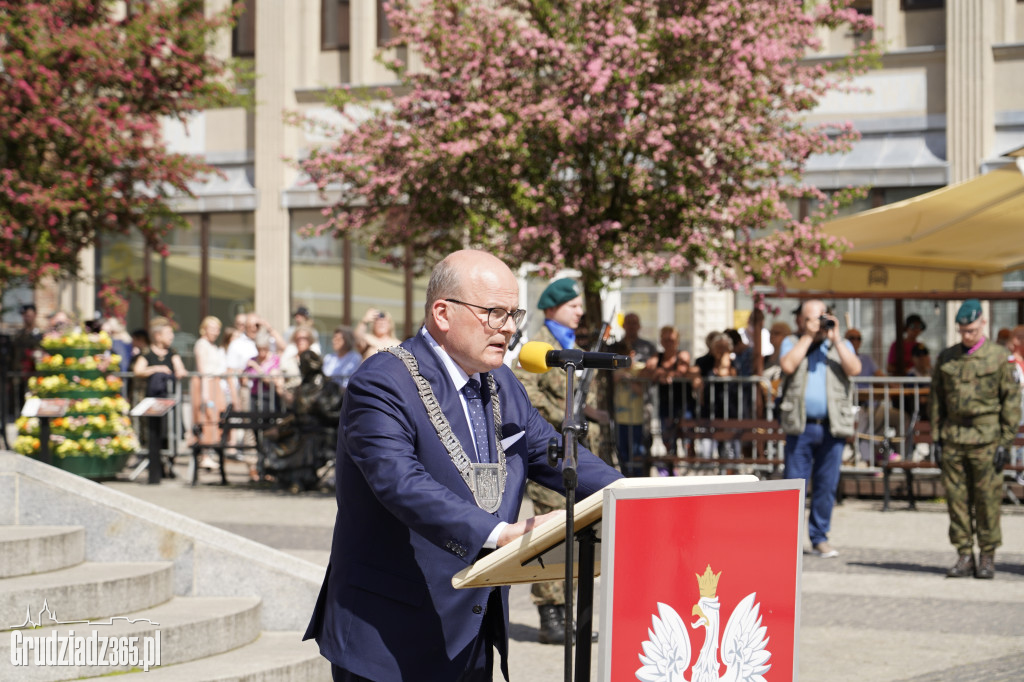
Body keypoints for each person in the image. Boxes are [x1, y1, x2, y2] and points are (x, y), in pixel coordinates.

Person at [305, 250, 622, 680]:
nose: (509, 328)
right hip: (387, 635)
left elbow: (555, 454)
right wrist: (500, 534)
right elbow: (400, 482)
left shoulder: (503, 384)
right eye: (494, 313)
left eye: (513, 314)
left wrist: (635, 496)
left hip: (471, 628)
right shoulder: (382, 381)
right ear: (443, 313)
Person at [513, 277, 610, 644]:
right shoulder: (540, 347)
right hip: (553, 455)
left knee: (577, 536)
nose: (580, 311)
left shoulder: (574, 346)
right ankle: (550, 616)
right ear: (552, 308)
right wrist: (567, 415)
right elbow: (529, 395)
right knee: (556, 535)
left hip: (583, 455)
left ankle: (570, 616)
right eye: (573, 306)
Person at [930, 299, 1020, 579]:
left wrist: (1005, 442)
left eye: (970, 330)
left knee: (987, 501)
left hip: (986, 439)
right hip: (954, 438)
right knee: (956, 501)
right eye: (962, 331)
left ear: (983, 324)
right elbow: (937, 402)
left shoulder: (999, 357)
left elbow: (1011, 402)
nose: (966, 336)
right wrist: (936, 439)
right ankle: (964, 555)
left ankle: (988, 556)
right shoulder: (947, 358)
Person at [778, 300, 860, 558]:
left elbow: (854, 369)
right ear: (801, 320)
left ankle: (819, 538)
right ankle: (790, 541)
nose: (818, 323)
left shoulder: (840, 345)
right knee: (794, 485)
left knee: (826, 485)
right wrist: (808, 337)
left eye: (822, 317)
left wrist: (836, 339)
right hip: (800, 427)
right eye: (811, 318)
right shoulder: (792, 342)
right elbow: (788, 366)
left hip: (831, 428)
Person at [608, 312, 657, 477]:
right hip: (620, 415)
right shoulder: (616, 346)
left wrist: (630, 378)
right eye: (628, 323)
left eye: (634, 323)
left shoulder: (648, 347)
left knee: (640, 450)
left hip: (640, 414)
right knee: (622, 451)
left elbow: (646, 378)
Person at [649, 326, 695, 461]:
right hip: (665, 404)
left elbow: (682, 370)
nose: (668, 342)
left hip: (684, 403)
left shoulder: (683, 354)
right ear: (661, 341)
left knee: (687, 436)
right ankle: (672, 467)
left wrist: (663, 373)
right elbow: (646, 371)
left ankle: (689, 465)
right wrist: (656, 373)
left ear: (677, 341)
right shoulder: (657, 357)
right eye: (665, 339)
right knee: (667, 437)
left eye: (671, 339)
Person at [191, 316, 229, 468]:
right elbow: (203, 372)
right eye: (212, 327)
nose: (215, 331)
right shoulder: (201, 344)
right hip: (205, 384)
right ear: (204, 328)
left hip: (215, 384)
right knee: (205, 418)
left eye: (217, 328)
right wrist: (205, 395)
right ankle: (204, 455)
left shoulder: (213, 346)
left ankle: (209, 454)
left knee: (215, 419)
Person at [322, 325, 362, 390]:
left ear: (347, 341)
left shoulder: (355, 358)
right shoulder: (328, 358)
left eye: (338, 339)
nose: (334, 341)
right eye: (334, 338)